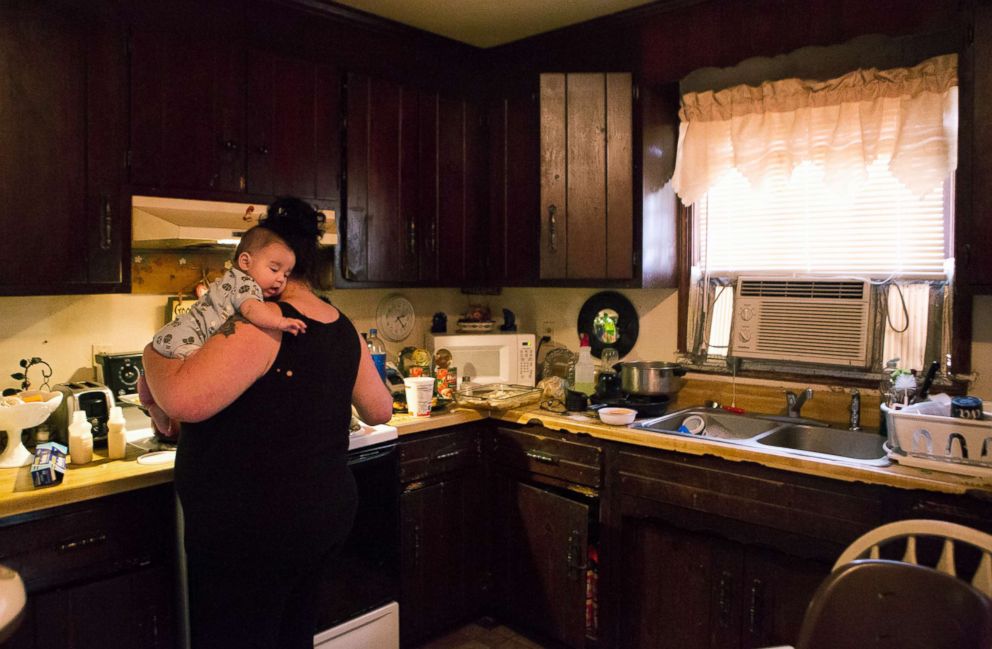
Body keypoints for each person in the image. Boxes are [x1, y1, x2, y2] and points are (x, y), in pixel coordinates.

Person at [141, 196, 393, 649]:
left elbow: (180, 400)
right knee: (291, 634)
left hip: (251, 532)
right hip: (321, 519)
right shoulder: (341, 325)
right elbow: (380, 411)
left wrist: (152, 354)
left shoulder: (262, 326)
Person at [141, 226, 309, 435]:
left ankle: (151, 404)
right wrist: (280, 322)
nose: (280, 279)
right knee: (197, 370)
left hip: (171, 334)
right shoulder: (247, 286)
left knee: (150, 374)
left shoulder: (230, 278)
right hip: (187, 339)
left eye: (286, 274)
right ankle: (156, 407)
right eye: (274, 270)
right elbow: (252, 310)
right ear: (246, 262)